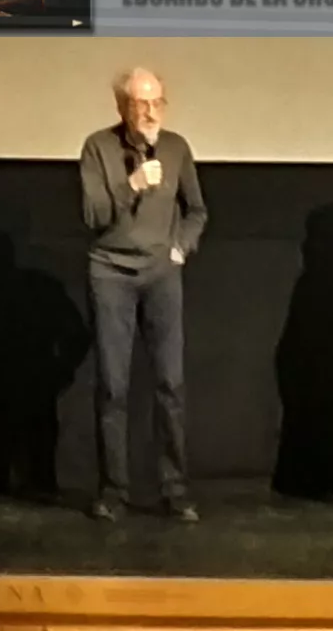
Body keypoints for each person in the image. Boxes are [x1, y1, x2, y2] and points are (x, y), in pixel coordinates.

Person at [78, 67, 204, 521]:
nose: (149, 112)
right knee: (113, 386)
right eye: (139, 103)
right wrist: (130, 184)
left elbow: (197, 211)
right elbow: (93, 214)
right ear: (122, 107)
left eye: (156, 103)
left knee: (170, 383)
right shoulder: (98, 147)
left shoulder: (176, 148)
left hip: (160, 274)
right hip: (110, 273)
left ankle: (175, 489)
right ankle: (114, 491)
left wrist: (180, 249)